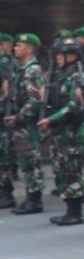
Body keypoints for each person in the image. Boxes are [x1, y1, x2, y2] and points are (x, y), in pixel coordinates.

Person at [39, 38, 84, 225]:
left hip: (72, 130)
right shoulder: (60, 75)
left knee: (71, 170)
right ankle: (69, 208)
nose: (58, 58)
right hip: (61, 130)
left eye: (62, 55)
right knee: (61, 169)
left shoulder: (77, 76)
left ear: (73, 56)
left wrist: (52, 119)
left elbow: (75, 105)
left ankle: (76, 211)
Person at [3, 33, 46, 214]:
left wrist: (18, 117)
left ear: (29, 48)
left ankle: (34, 199)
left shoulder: (32, 70)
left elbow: (35, 100)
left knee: (30, 161)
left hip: (26, 124)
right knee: (22, 159)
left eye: (20, 45)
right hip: (19, 124)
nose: (15, 48)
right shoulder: (20, 69)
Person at [0, 32, 17, 208]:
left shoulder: (5, 63)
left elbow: (7, 93)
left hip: (4, 113)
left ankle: (6, 193)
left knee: (4, 156)